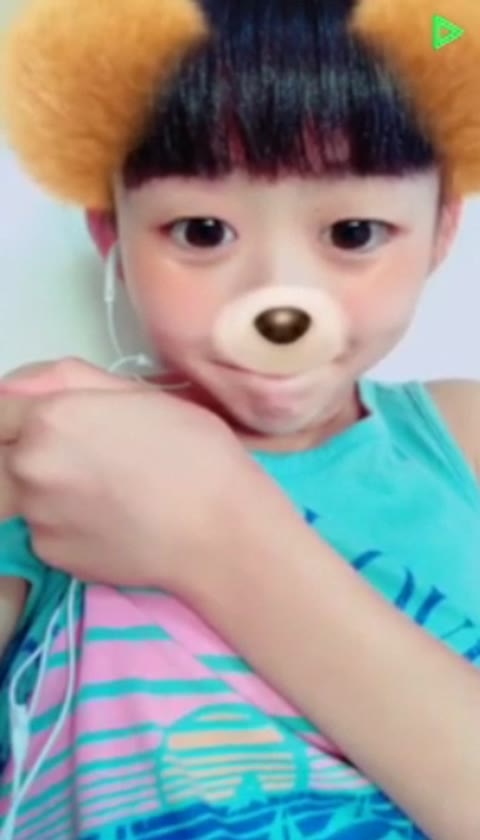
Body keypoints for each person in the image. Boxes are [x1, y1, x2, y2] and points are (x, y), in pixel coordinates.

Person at [1, 0, 480, 837]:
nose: (277, 305)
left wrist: (220, 532)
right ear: (112, 235)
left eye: (354, 232)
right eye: (201, 231)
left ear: (441, 229)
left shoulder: (462, 437)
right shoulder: (50, 455)